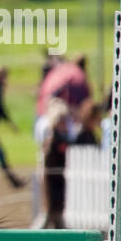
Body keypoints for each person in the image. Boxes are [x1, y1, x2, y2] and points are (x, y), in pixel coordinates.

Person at [36, 98, 71, 229]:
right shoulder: (53, 140)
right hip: (51, 181)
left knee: (55, 214)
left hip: (57, 181)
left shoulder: (61, 137)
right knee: (49, 213)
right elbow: (48, 164)